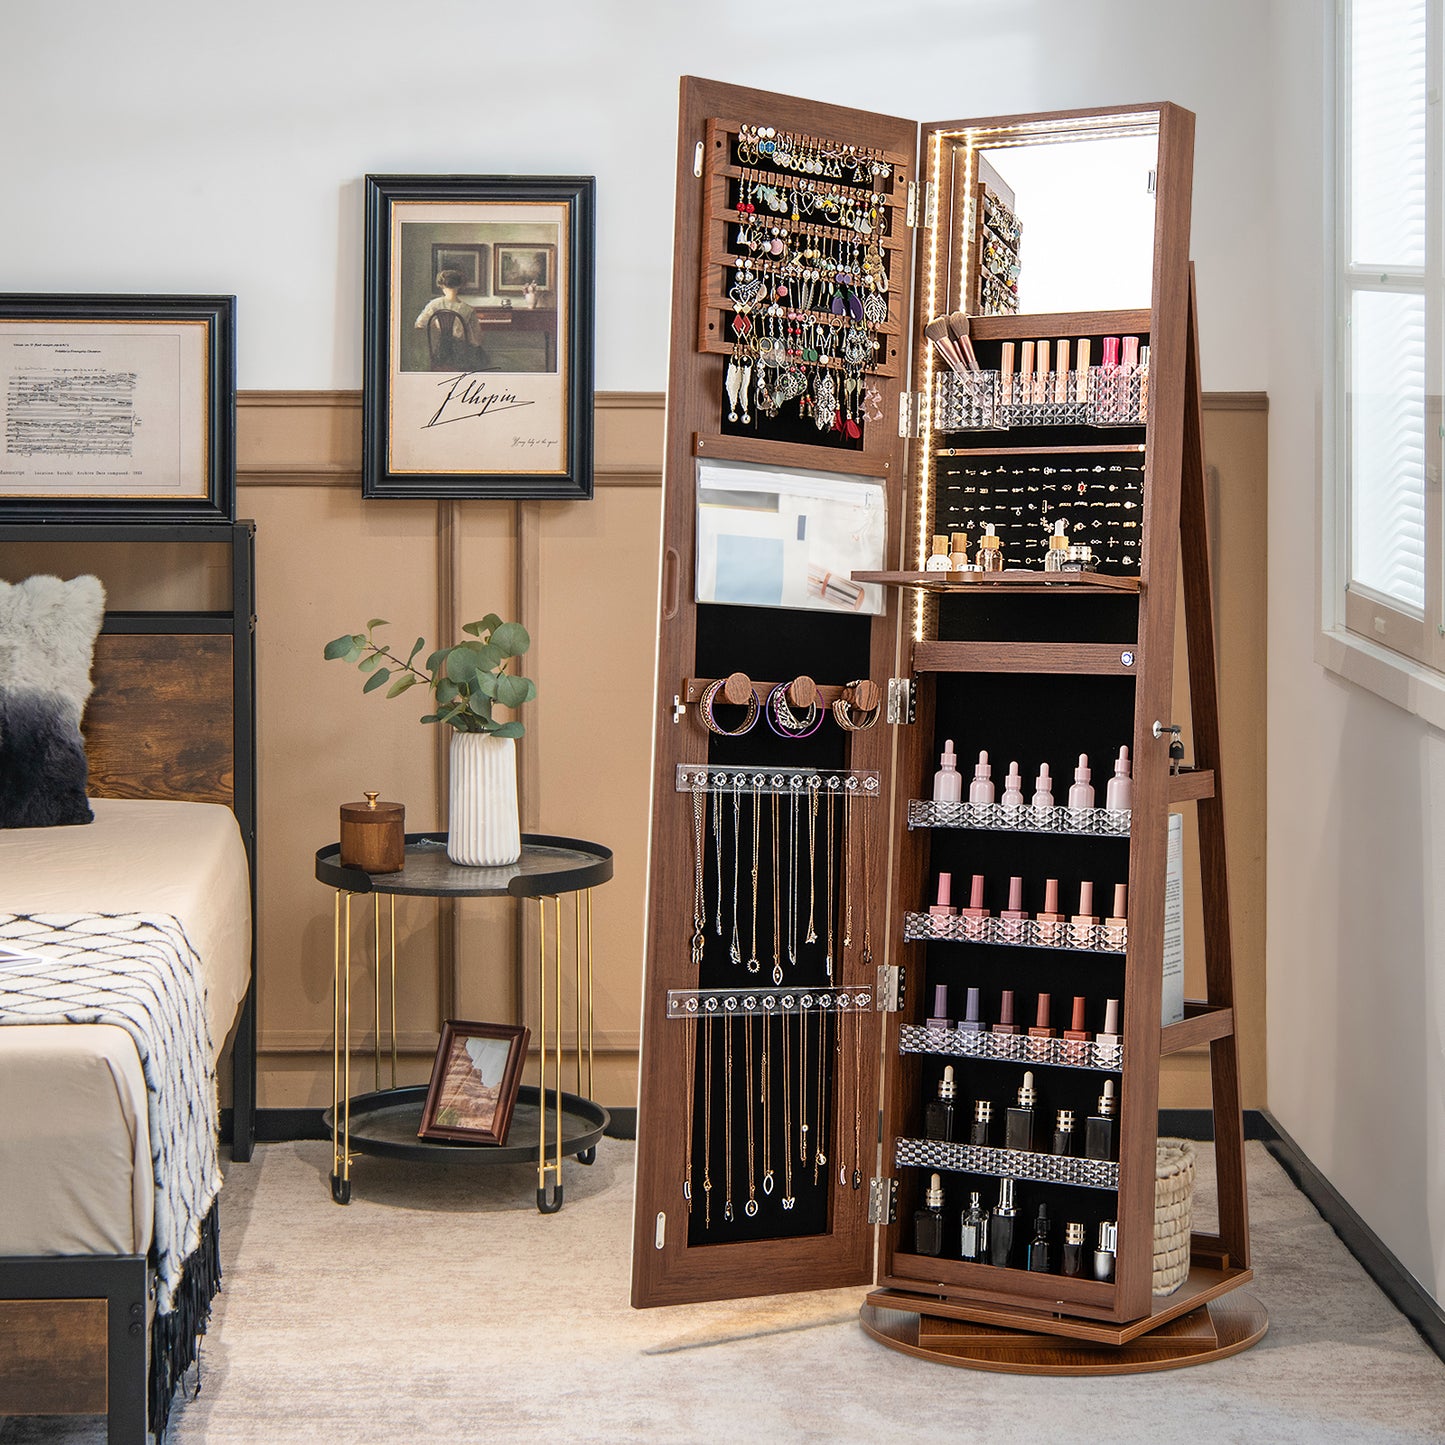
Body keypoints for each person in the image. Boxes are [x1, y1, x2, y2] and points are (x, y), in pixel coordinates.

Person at [413, 268, 483, 365]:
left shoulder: (434, 304)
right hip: (461, 354)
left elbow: (419, 324)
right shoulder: (468, 309)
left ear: (442, 286)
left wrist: (436, 326)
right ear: (459, 286)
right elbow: (476, 339)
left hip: (440, 352)